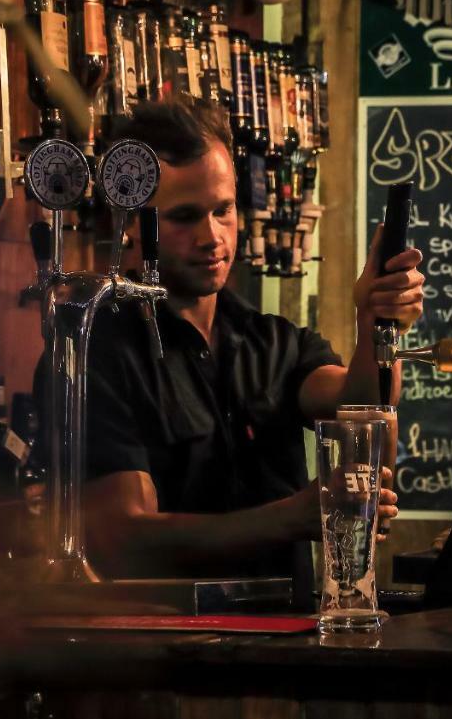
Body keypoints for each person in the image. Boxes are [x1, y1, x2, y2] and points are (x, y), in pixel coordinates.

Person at [78, 96, 423, 595]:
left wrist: (375, 319)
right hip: (170, 654)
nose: (211, 236)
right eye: (184, 216)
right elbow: (122, 537)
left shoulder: (270, 340)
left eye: (223, 210)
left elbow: (361, 403)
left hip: (291, 643)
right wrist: (294, 516)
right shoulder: (99, 353)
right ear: (129, 223)